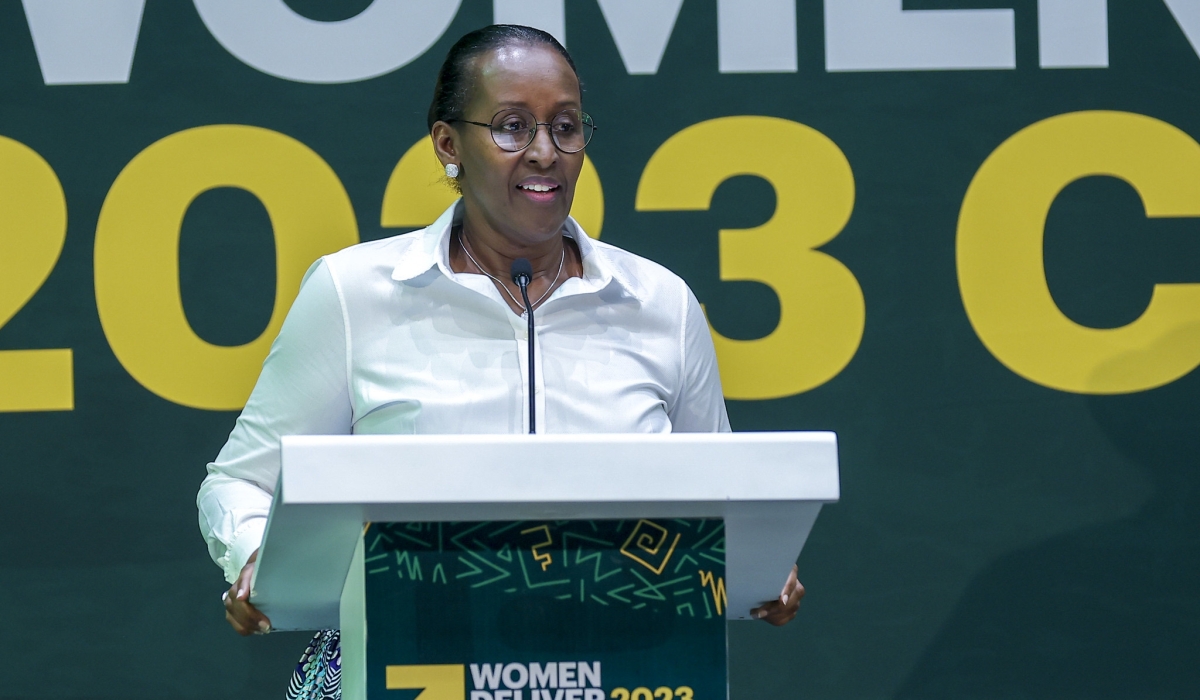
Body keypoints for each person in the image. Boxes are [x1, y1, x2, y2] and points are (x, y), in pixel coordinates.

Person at [198, 23, 804, 697]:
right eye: (513, 126)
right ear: (448, 144)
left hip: (620, 667)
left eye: (566, 127)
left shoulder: (659, 303)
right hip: (408, 662)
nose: (545, 152)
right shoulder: (354, 293)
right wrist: (258, 559)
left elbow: (714, 503)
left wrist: (758, 568)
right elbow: (238, 483)